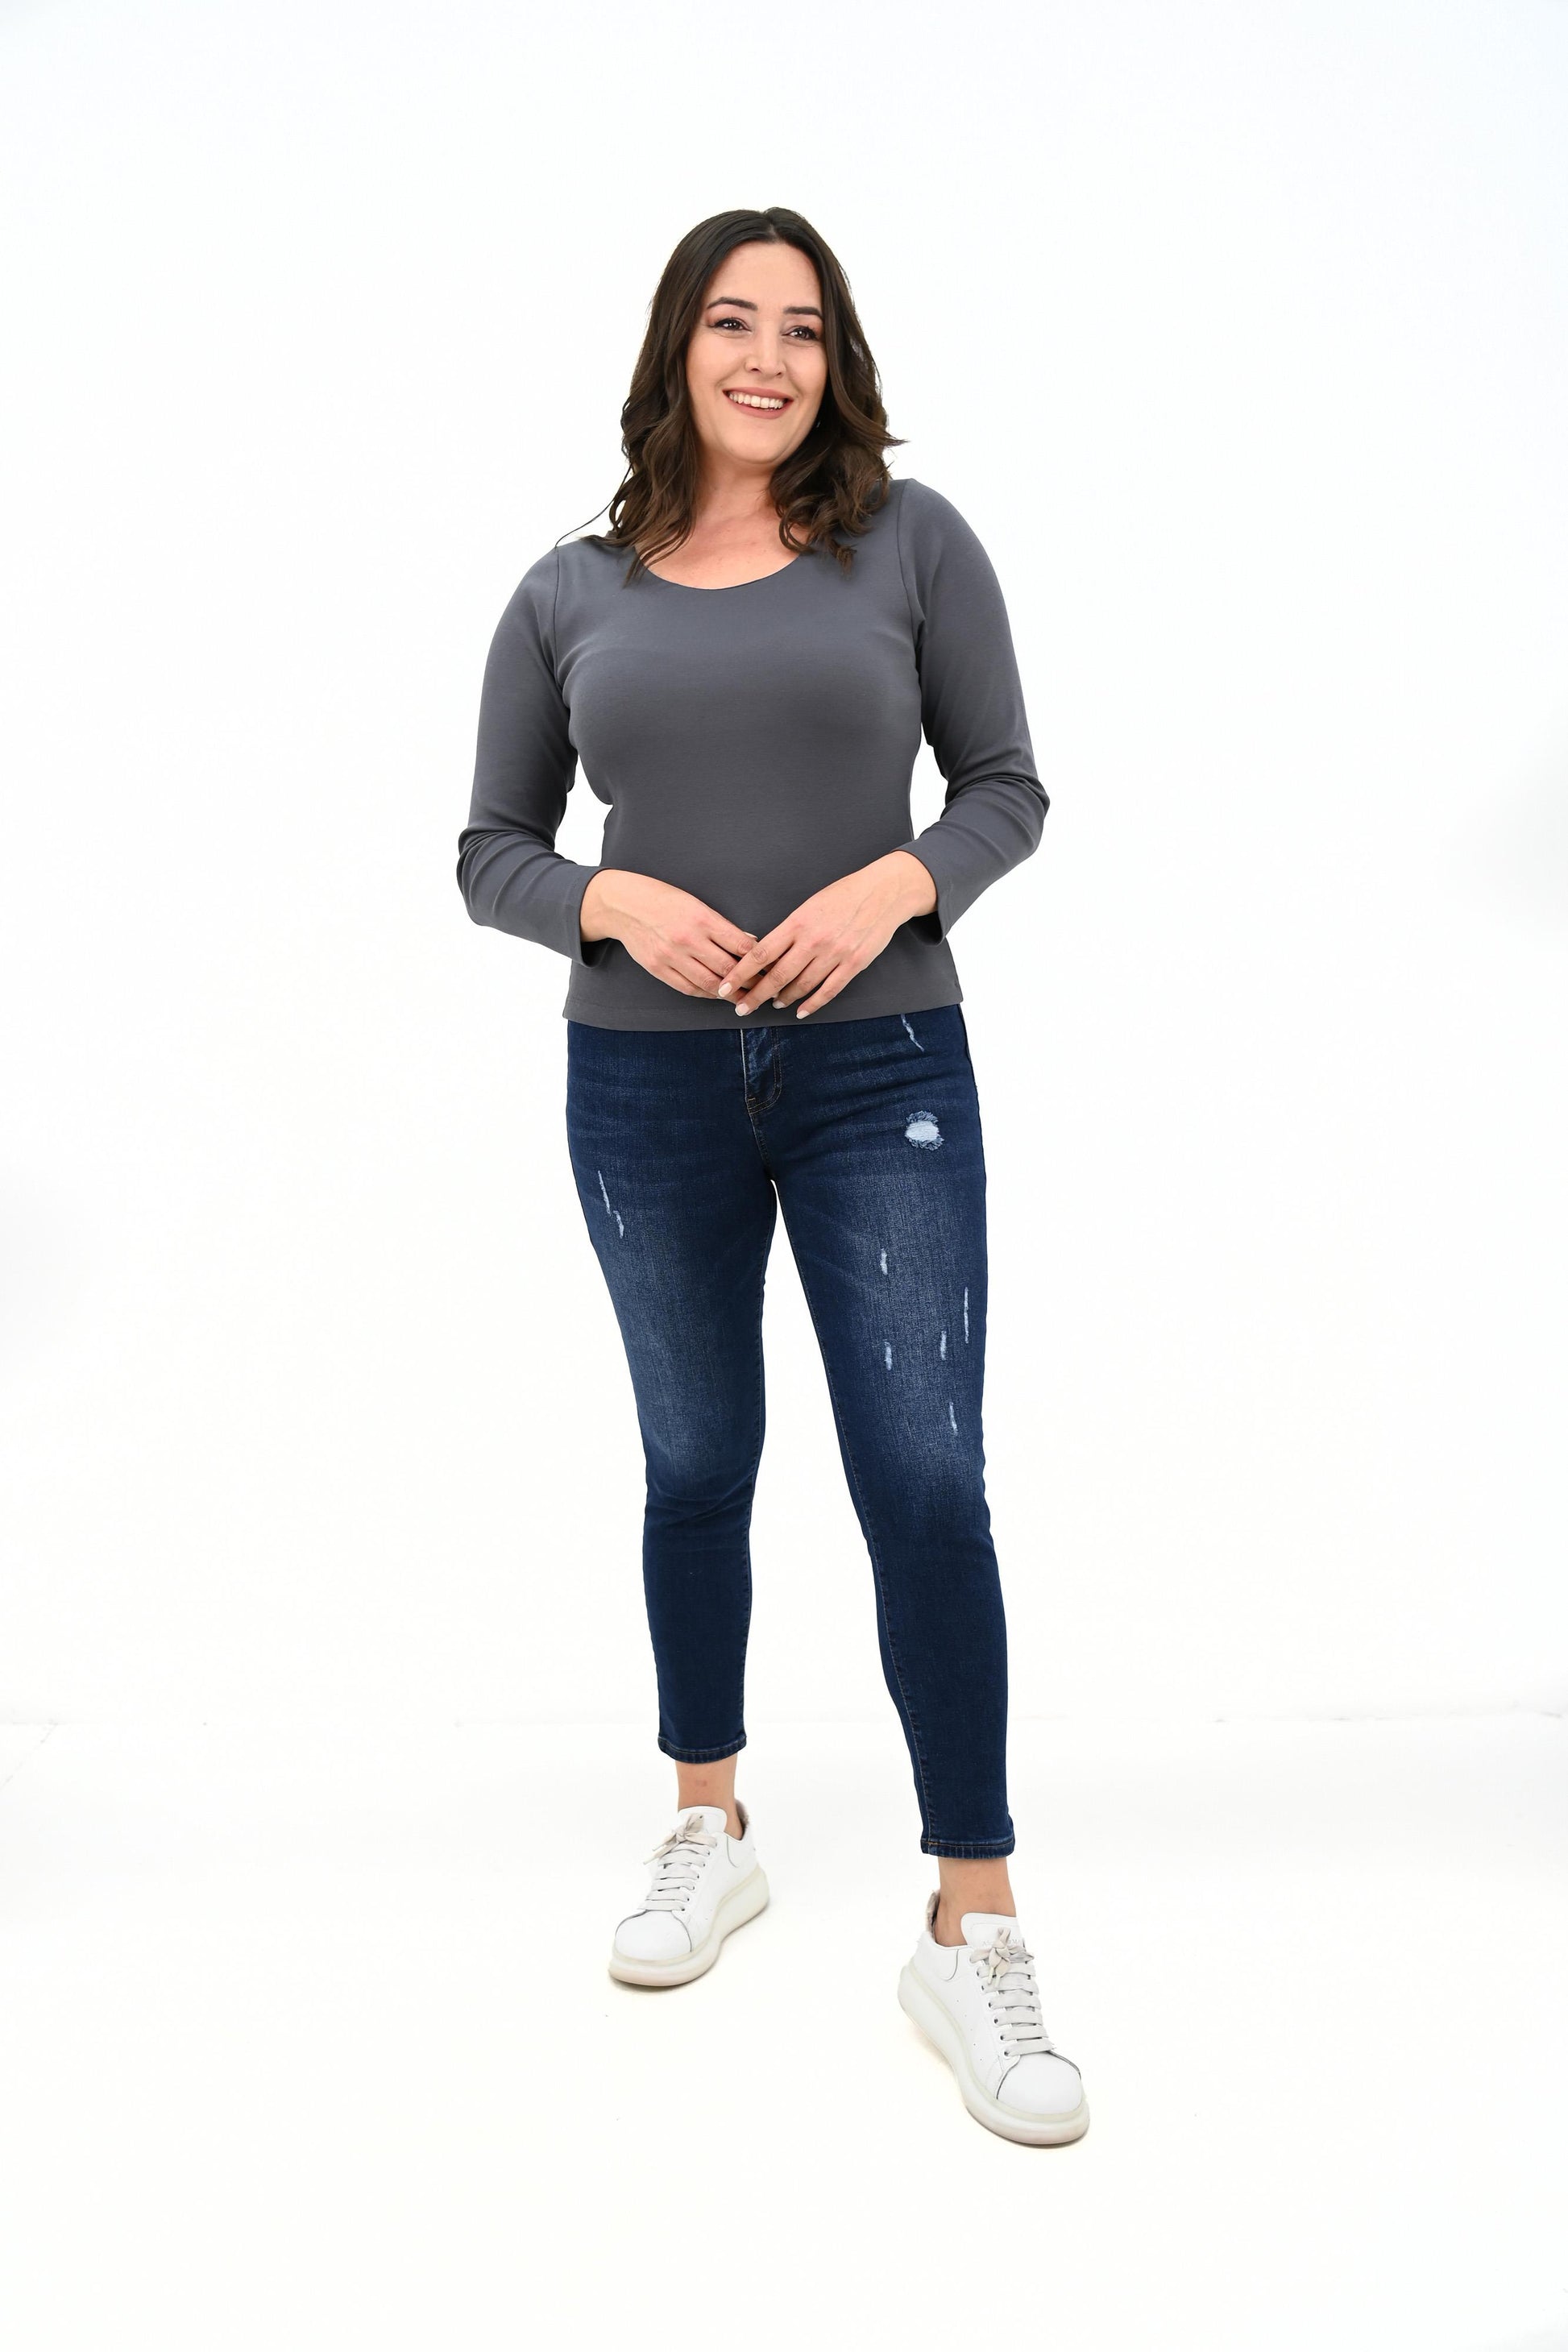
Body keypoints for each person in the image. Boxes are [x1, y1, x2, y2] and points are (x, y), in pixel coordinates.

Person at [455, 205, 1089, 2147]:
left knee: (926, 1479)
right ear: (678, 347)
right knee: (693, 1459)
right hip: (643, 1082)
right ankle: (705, 1821)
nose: (766, 356)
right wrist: (605, 900)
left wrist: (895, 880)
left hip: (879, 1070)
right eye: (731, 321)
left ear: (835, 360)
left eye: (802, 327)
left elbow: (1005, 787)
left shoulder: (909, 542)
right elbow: (490, 848)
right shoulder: (567, 590)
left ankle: (971, 1917)